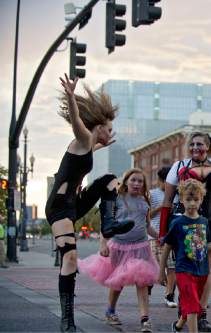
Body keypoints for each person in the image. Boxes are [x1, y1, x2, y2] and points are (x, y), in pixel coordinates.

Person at [45, 75, 134, 332]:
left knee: (110, 180)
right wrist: (72, 98)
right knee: (70, 258)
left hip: (75, 203)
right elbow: (76, 123)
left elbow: (87, 153)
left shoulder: (89, 146)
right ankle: (67, 320)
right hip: (60, 207)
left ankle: (109, 224)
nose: (111, 132)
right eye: (108, 128)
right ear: (98, 127)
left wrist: (101, 145)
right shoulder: (83, 138)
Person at [78, 168, 159, 332]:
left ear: (144, 185)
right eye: (133, 180)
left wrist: (159, 236)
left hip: (141, 246)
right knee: (118, 282)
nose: (136, 183)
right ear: (126, 182)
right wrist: (103, 244)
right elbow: (106, 224)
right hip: (119, 247)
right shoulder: (117, 199)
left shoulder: (145, 201)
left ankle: (145, 319)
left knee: (142, 283)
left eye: (140, 181)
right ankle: (110, 311)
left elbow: (148, 226)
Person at [159, 132, 211, 332]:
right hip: (184, 220)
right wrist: (163, 231)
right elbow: (167, 201)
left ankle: (200, 314)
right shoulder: (178, 166)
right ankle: (186, 311)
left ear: (209, 146)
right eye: (193, 144)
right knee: (186, 267)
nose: (196, 147)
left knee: (207, 268)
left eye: (200, 144)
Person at [149, 166, 177, 307]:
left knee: (172, 267)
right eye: (166, 181)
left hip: (171, 235)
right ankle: (147, 289)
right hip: (154, 235)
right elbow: (147, 216)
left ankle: (169, 295)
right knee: (153, 267)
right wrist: (161, 207)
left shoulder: (176, 195)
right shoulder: (152, 194)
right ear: (160, 180)